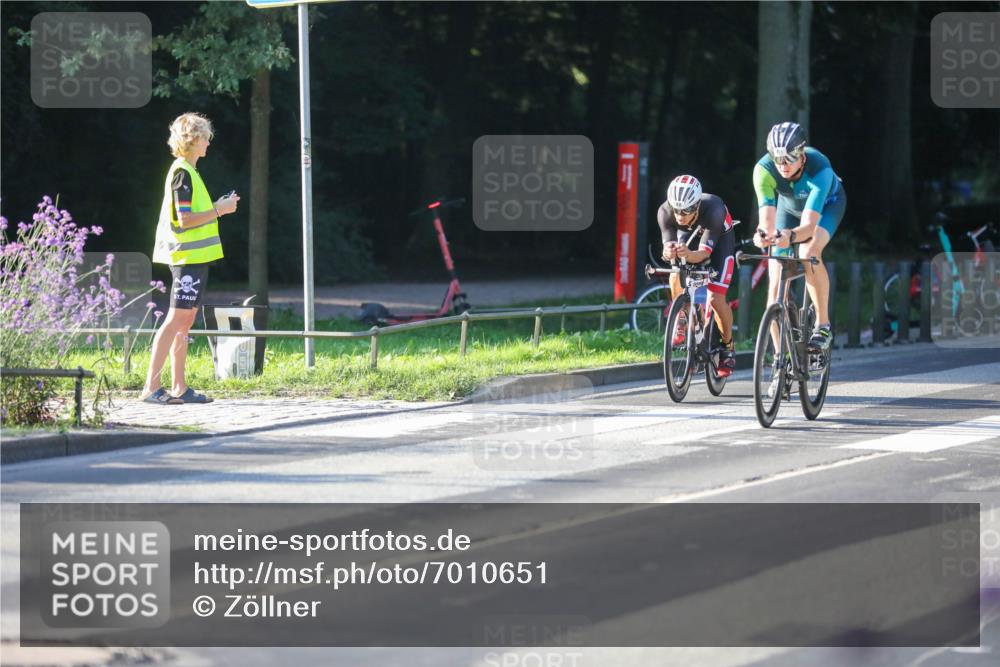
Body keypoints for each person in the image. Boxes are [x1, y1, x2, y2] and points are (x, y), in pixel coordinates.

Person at [140, 112, 240, 405]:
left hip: (195, 259)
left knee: (185, 322)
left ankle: (179, 387)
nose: (209, 142)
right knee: (175, 320)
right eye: (206, 137)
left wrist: (219, 207)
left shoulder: (189, 171)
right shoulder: (182, 172)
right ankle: (151, 387)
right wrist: (220, 209)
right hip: (186, 258)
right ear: (193, 139)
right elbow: (184, 220)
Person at [752, 121, 846, 352]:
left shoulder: (819, 168)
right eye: (778, 159)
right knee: (774, 291)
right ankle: (778, 361)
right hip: (788, 208)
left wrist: (790, 235)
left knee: (808, 251)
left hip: (827, 206)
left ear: (801, 155)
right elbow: (767, 221)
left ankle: (823, 325)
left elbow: (808, 228)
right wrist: (764, 235)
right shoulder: (763, 170)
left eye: (789, 159)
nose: (783, 165)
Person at [657, 174, 737, 376]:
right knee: (676, 270)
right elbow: (668, 244)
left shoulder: (714, 209)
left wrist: (689, 255)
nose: (680, 216)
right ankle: (684, 316)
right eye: (677, 210)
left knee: (716, 299)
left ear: (697, 205)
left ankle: (728, 346)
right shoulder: (665, 211)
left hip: (719, 242)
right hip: (690, 237)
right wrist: (668, 251)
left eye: (686, 211)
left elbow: (703, 254)